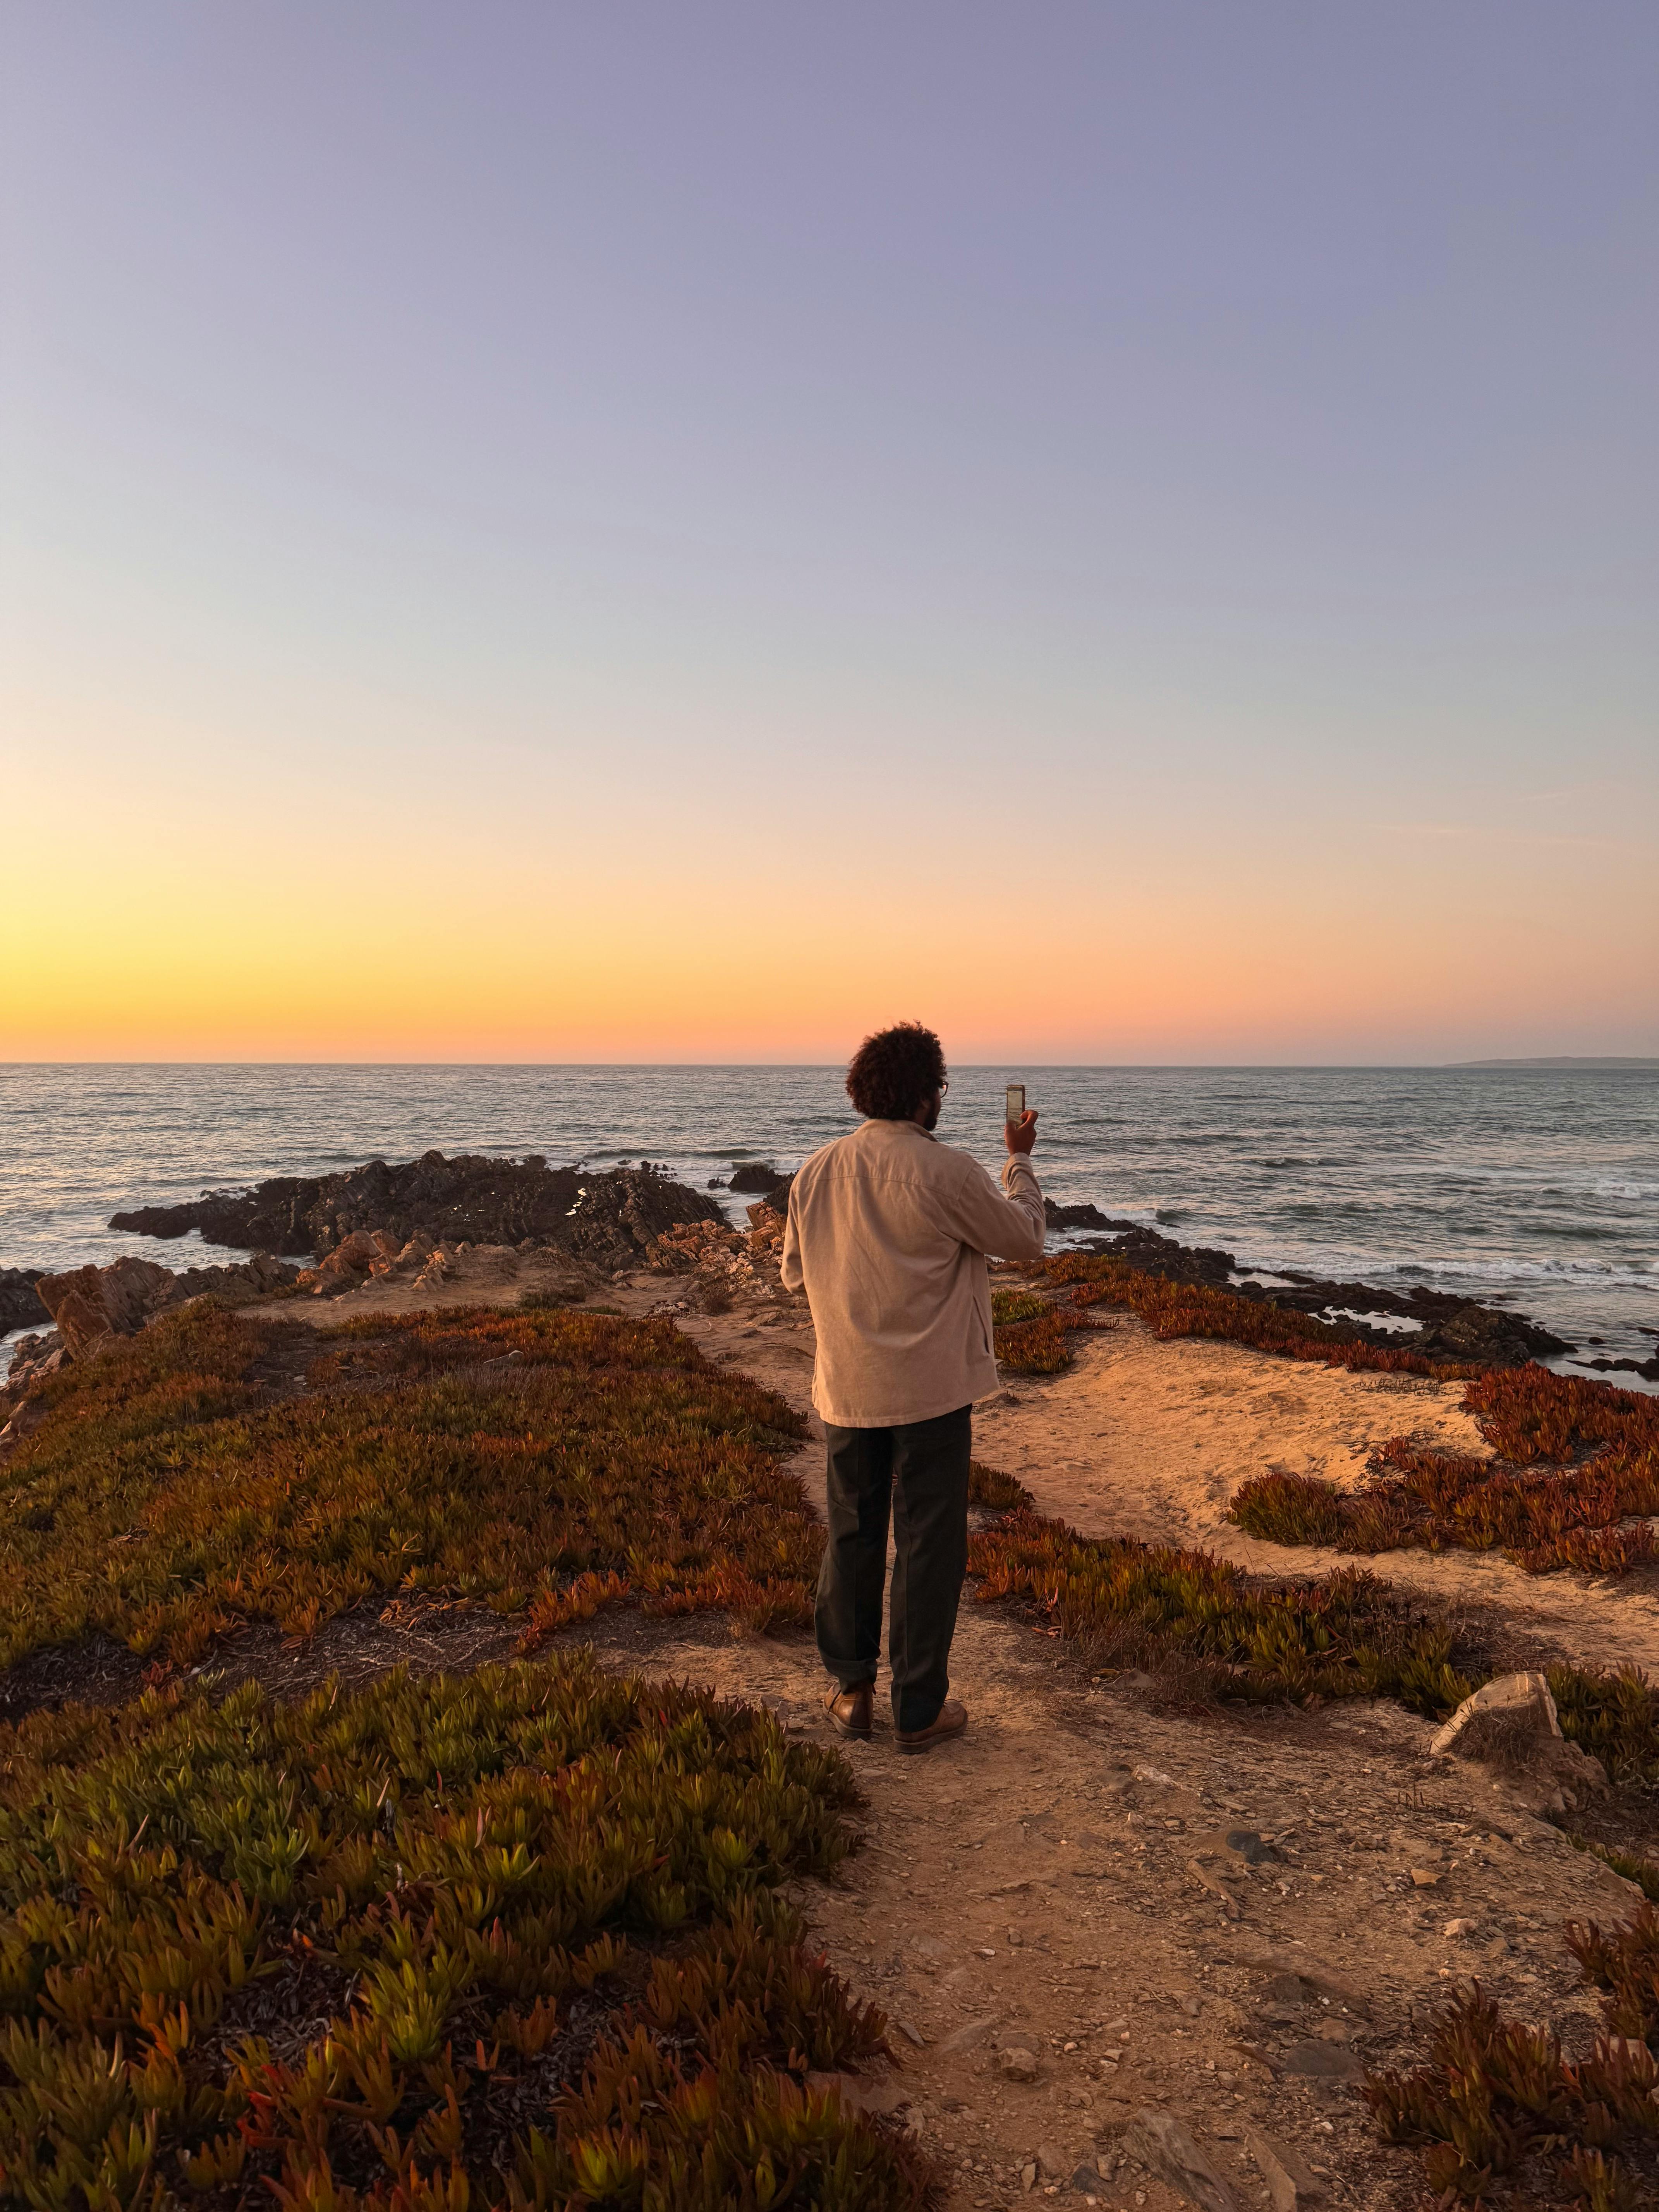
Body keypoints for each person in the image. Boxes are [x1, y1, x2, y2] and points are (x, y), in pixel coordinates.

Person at [779, 1022, 1044, 1752]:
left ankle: (851, 1693)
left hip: (848, 1382)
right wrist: (1018, 1163)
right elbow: (1024, 1239)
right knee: (929, 1542)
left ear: (864, 1091)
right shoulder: (949, 1172)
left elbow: (794, 1273)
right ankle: (919, 1706)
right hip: (931, 1386)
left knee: (852, 1534)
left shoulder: (815, 1172)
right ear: (929, 1096)